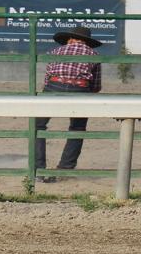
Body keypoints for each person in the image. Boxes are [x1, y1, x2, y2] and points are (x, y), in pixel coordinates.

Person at [34, 25, 104, 183]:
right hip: (79, 88)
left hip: (53, 86)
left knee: (37, 126)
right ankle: (65, 168)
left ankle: (37, 169)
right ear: (86, 42)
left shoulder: (55, 52)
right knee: (77, 128)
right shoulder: (93, 54)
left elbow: (47, 79)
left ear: (69, 39)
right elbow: (96, 86)